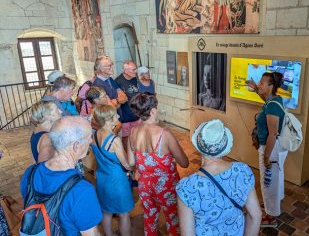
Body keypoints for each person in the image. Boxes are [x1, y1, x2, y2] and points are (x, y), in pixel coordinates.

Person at [176, 119, 261, 235]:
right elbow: (255, 215)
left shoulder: (187, 187)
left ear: (199, 147)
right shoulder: (242, 172)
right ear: (225, 146)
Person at [20, 116, 103, 235]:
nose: (90, 141)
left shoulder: (30, 173)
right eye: (88, 137)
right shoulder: (82, 190)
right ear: (76, 146)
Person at [127, 93, 189, 236]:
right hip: (167, 185)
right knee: (173, 219)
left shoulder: (133, 132)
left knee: (150, 218)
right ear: (153, 110)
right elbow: (185, 163)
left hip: (145, 184)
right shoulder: (164, 133)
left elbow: (131, 162)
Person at [247, 72, 288, 227]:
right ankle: (274, 204)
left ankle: (271, 217)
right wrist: (256, 88)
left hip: (270, 148)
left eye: (262, 83)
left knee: (268, 183)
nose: (259, 84)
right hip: (274, 148)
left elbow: (272, 134)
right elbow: (265, 99)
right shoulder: (274, 99)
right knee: (276, 179)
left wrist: (266, 157)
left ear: (271, 86)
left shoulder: (272, 107)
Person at [91, 105, 134, 236]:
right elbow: (126, 164)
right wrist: (133, 167)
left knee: (106, 211)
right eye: (115, 115)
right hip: (117, 180)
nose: (118, 116)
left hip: (102, 178)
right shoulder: (114, 140)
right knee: (124, 213)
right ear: (109, 119)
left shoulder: (95, 134)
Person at [115, 61, 141, 149]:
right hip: (125, 117)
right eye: (134, 70)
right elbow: (116, 100)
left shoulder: (135, 78)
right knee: (126, 138)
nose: (136, 71)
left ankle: (136, 152)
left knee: (137, 135)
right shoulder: (118, 81)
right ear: (126, 71)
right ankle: (128, 155)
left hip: (137, 115)